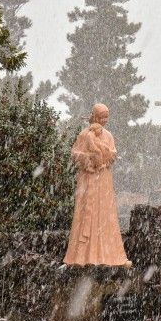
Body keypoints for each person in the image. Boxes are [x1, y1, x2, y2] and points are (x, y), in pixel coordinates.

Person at [63, 103, 131, 267]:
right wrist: (88, 160)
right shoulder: (83, 135)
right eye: (101, 117)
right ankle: (83, 255)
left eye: (106, 117)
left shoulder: (108, 136)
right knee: (87, 212)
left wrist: (104, 158)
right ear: (94, 116)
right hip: (88, 178)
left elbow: (113, 154)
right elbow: (75, 154)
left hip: (103, 179)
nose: (104, 121)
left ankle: (108, 254)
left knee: (104, 215)